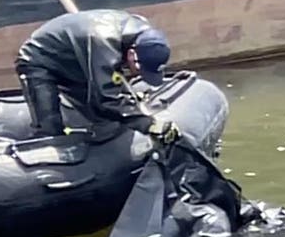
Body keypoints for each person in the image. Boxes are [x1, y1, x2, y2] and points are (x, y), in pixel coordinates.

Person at [15, 9, 180, 143]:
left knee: (106, 120)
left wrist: (130, 103)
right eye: (140, 70)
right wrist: (148, 124)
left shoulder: (142, 32)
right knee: (50, 130)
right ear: (132, 53)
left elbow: (111, 82)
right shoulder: (104, 41)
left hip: (78, 59)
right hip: (40, 59)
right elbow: (106, 99)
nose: (139, 75)